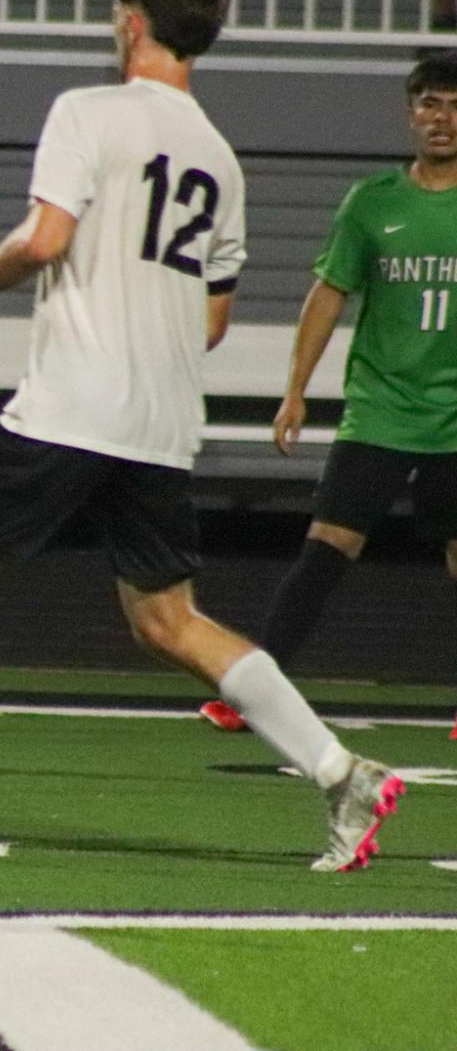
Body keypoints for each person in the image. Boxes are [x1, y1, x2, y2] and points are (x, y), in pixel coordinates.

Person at [0, 0, 407, 873]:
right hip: (158, 421)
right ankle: (341, 773)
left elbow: (46, 235)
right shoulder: (220, 161)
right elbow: (210, 322)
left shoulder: (87, 111)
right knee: (166, 621)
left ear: (131, 21)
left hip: (70, 406)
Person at [201, 52, 457, 740]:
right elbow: (327, 296)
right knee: (324, 550)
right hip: (378, 410)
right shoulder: (371, 202)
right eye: (431, 103)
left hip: (455, 422)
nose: (442, 118)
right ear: (410, 113)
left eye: (454, 105)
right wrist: (293, 392)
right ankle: (254, 694)